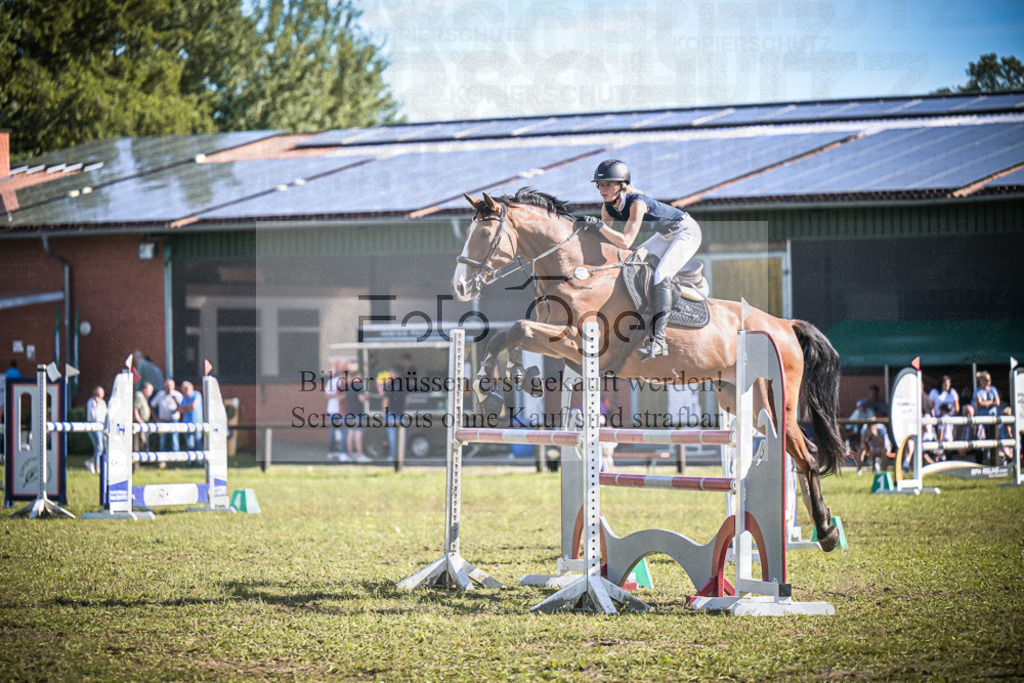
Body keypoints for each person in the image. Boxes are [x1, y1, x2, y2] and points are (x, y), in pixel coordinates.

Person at [590, 159, 703, 360]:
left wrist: (598, 226)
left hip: (686, 231)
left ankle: (659, 341)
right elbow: (604, 240)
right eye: (600, 184)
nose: (603, 189)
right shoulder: (608, 207)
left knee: (661, 274)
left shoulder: (637, 203)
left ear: (622, 186)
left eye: (608, 184)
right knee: (631, 262)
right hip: (665, 235)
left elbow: (625, 241)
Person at [382, 354, 416, 463]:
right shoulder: (404, 384)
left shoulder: (389, 384)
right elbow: (407, 399)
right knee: (402, 436)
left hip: (391, 413)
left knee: (392, 436)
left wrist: (384, 413)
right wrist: (402, 407)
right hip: (400, 412)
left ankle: (393, 456)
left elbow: (386, 400)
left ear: (393, 373)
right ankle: (401, 456)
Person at [972, 371, 1001, 465]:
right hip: (981, 420)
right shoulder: (977, 391)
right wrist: (991, 402)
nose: (988, 381)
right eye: (986, 380)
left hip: (992, 419)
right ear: (981, 381)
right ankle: (979, 463)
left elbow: (998, 402)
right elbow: (979, 404)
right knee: (979, 439)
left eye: (989, 379)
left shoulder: (993, 389)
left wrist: (986, 403)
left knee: (994, 440)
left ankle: (994, 462)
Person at [150, 379, 183, 451]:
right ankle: (163, 460)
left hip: (174, 420)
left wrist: (175, 400)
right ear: (165, 386)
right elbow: (152, 406)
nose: (169, 388)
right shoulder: (160, 394)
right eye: (167, 386)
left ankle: (176, 458)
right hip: (163, 420)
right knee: (162, 441)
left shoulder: (178, 395)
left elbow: (181, 409)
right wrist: (156, 418)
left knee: (174, 439)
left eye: (171, 386)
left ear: (173, 387)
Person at [324, 359, 347, 460]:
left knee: (342, 431)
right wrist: (337, 396)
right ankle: (331, 451)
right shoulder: (332, 382)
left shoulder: (341, 381)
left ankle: (340, 452)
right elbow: (327, 396)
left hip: (340, 410)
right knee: (333, 431)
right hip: (333, 409)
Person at [345, 364, 366, 462]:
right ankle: (360, 454)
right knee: (358, 434)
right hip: (358, 413)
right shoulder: (358, 386)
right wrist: (367, 397)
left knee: (350, 434)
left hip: (350, 412)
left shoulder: (349, 386)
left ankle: (350, 455)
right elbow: (361, 399)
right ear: (358, 375)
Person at [85, 385, 107, 473]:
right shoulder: (91, 401)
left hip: (101, 426)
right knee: (99, 446)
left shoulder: (103, 402)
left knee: (104, 445)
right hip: (93, 426)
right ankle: (97, 466)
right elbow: (94, 416)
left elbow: (105, 414)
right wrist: (96, 404)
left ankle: (92, 462)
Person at [178, 381, 203, 452]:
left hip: (197, 423)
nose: (184, 391)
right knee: (189, 444)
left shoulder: (197, 394)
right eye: (183, 389)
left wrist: (185, 408)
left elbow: (193, 406)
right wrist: (188, 408)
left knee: (198, 442)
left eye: (186, 389)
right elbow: (180, 410)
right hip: (186, 423)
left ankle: (201, 461)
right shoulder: (183, 397)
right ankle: (191, 462)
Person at [133, 382, 154, 451]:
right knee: (140, 441)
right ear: (145, 389)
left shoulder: (144, 397)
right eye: (150, 391)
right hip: (139, 423)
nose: (151, 393)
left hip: (143, 422)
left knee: (144, 441)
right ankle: (138, 460)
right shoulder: (139, 396)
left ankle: (143, 458)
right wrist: (138, 419)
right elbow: (135, 408)